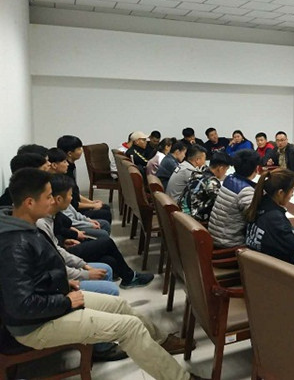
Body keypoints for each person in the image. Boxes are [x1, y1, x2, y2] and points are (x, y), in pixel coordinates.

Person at [0, 168, 202, 380]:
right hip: (36, 326)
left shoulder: (25, 227)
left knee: (120, 306)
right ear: (29, 202)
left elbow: (37, 274)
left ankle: (160, 342)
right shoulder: (14, 244)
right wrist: (66, 302)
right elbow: (21, 305)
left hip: (54, 301)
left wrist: (63, 282)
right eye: (48, 196)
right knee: (129, 327)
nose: (52, 201)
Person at [44, 174, 155, 289]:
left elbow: (60, 231)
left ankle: (128, 278)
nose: (72, 198)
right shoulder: (44, 221)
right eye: (70, 195)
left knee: (109, 260)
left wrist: (67, 239)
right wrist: (84, 268)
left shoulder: (54, 214)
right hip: (65, 252)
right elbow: (55, 253)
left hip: (66, 245)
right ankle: (130, 277)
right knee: (107, 242)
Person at [245, 168, 294, 263]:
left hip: (255, 266)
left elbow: (286, 232)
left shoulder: (260, 204)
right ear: (280, 193)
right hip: (273, 268)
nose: (292, 195)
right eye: (292, 191)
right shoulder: (275, 218)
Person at [47, 147, 111, 237]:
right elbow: (71, 209)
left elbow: (74, 199)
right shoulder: (54, 184)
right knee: (103, 225)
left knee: (104, 220)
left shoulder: (64, 176)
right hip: (72, 225)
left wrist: (91, 205)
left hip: (74, 219)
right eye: (64, 162)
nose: (67, 164)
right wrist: (91, 209)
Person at [209, 150, 260, 248]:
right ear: (256, 169)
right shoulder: (245, 191)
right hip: (229, 243)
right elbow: (255, 218)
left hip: (216, 235)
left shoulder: (229, 179)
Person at [57, 135, 112, 223]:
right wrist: (92, 205)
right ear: (70, 153)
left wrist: (91, 202)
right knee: (105, 213)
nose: (81, 151)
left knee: (105, 207)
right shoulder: (65, 172)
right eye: (79, 149)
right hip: (73, 211)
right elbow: (73, 204)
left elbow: (75, 194)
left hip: (76, 205)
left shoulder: (71, 166)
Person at [179, 152, 232, 223]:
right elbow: (222, 204)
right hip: (194, 221)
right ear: (220, 168)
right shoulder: (212, 182)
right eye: (226, 169)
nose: (225, 173)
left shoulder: (197, 174)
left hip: (182, 215)